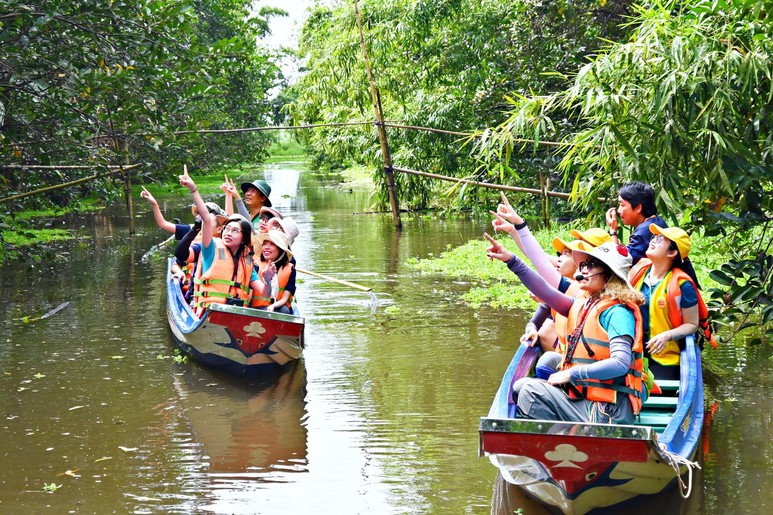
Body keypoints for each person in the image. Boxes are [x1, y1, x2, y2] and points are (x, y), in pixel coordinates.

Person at [485, 235, 647, 424]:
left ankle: (561, 439)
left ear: (610, 274)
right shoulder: (586, 304)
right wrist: (510, 260)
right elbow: (545, 291)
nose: (583, 270)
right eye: (583, 264)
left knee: (529, 391)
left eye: (591, 265)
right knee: (522, 385)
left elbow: (620, 363)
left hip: (609, 411)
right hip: (589, 398)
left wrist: (571, 374)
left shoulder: (618, 313)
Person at [178, 168, 267, 317]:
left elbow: (265, 292)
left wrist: (269, 281)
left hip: (235, 315)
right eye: (227, 229)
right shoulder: (211, 249)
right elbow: (207, 219)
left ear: (244, 239)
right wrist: (194, 190)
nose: (228, 233)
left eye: (235, 231)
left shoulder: (247, 262)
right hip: (209, 313)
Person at [628, 225, 706, 380]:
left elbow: (692, 324)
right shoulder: (639, 271)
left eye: (660, 239)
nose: (653, 240)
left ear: (672, 253)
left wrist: (667, 335)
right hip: (633, 352)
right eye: (654, 237)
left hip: (665, 356)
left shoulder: (683, 285)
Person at [605, 182, 667, 265]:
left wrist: (613, 231)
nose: (619, 210)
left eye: (622, 205)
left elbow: (620, 263)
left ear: (638, 208)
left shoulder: (642, 234)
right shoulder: (656, 220)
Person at [251, 229, 296, 314]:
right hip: (258, 307)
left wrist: (273, 306)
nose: (266, 247)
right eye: (264, 244)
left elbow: (285, 298)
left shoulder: (290, 269)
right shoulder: (256, 265)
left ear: (280, 249)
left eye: (272, 244)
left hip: (279, 305)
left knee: (285, 310)